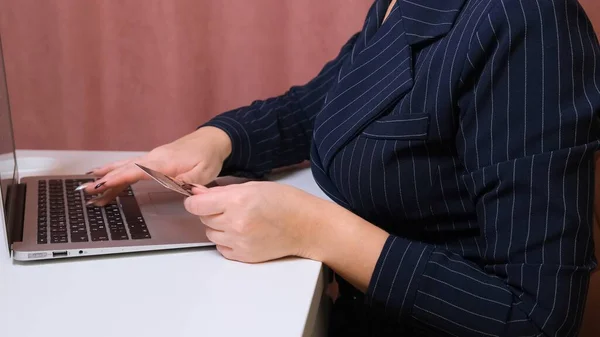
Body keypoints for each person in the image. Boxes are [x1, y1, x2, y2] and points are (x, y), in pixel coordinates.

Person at [80, 0, 600, 335]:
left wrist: (315, 230)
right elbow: (322, 106)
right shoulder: (401, 4)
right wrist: (217, 139)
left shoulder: (528, 21)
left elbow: (537, 319)